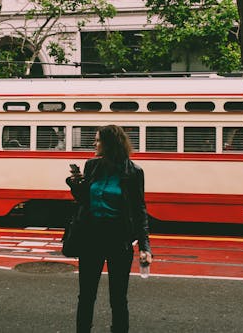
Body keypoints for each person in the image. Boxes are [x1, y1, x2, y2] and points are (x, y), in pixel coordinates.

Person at [66, 125, 153, 333]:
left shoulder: (133, 172)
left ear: (109, 144)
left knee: (118, 298)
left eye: (98, 140)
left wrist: (145, 246)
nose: (94, 144)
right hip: (91, 237)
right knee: (86, 295)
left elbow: (139, 209)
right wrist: (74, 184)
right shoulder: (91, 166)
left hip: (118, 239)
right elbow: (85, 200)